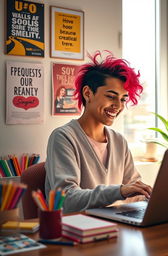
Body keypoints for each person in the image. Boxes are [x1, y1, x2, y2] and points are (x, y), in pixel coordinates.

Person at [45, 51, 152, 213]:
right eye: (111, 96)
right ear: (88, 93)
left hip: (114, 227)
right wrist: (120, 191)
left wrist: (154, 196)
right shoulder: (63, 137)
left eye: (123, 99)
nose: (118, 105)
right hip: (78, 229)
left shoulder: (118, 141)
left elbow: (134, 192)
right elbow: (67, 199)